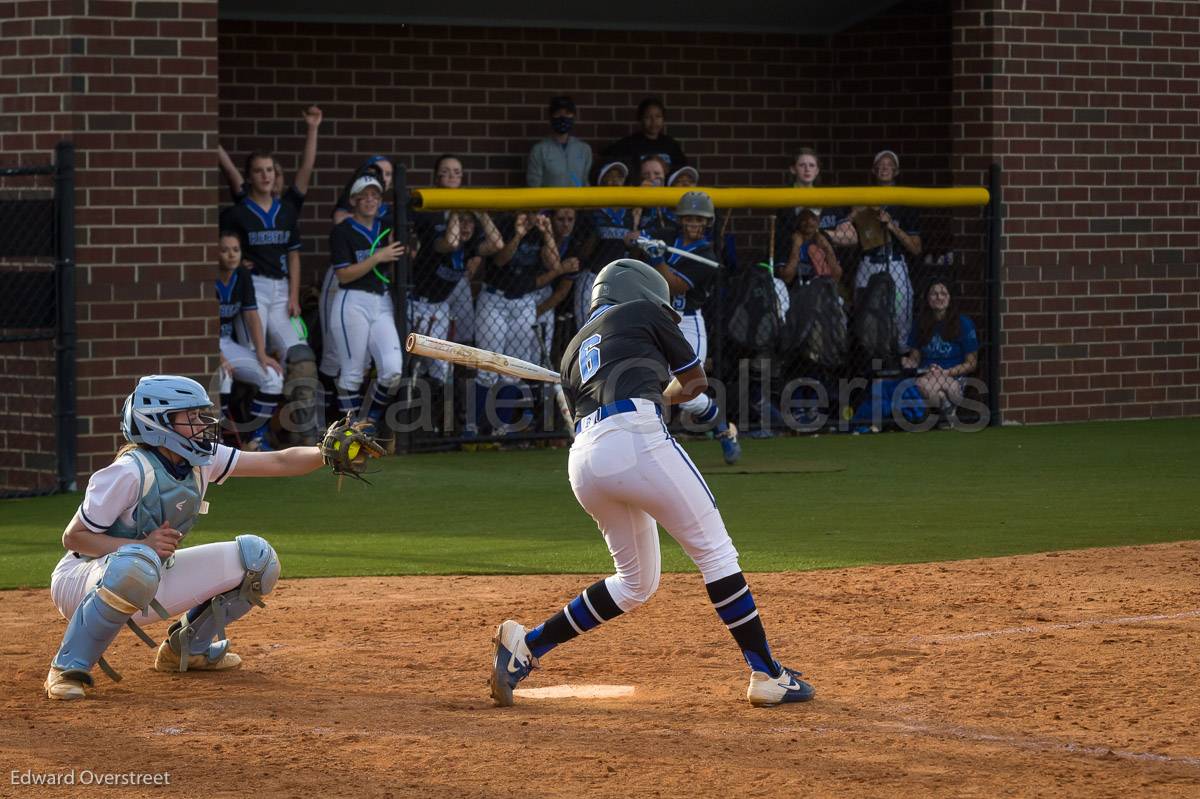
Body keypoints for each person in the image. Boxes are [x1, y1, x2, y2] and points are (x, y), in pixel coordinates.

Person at [488, 259, 814, 709]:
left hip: (584, 461)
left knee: (636, 583)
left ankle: (527, 646)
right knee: (716, 553)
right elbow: (695, 383)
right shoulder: (644, 312)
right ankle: (767, 672)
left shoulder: (571, 353)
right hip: (635, 439)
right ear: (639, 292)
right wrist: (658, 393)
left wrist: (645, 389)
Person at [43, 375, 329, 701]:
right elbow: (74, 538)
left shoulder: (200, 460)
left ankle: (187, 650)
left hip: (148, 572)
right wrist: (141, 546)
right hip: (82, 581)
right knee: (137, 563)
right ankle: (67, 668)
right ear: (158, 423)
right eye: (190, 417)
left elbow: (278, 461)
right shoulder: (128, 472)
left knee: (258, 560)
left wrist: (326, 453)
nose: (202, 424)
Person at [643, 191, 741, 464]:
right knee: (649, 383)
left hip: (686, 322)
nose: (692, 223)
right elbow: (639, 243)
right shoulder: (666, 236)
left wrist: (657, 259)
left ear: (707, 222)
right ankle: (653, 447)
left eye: (698, 219)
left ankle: (720, 423)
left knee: (687, 393)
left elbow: (675, 285)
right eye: (688, 218)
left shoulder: (705, 254)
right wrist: (638, 241)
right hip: (657, 318)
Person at [470, 211, 562, 435]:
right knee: (487, 368)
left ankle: (501, 428)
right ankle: (473, 428)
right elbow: (501, 260)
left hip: (524, 302)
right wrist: (519, 235)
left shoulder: (540, 231)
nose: (532, 216)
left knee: (512, 370)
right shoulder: (504, 224)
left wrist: (548, 233)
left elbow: (554, 264)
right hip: (494, 299)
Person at [327, 175, 407, 427]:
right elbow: (343, 274)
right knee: (352, 372)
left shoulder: (386, 227)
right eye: (365, 195)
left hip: (381, 301)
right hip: (352, 300)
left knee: (393, 369)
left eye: (376, 195)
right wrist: (378, 257)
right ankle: (350, 431)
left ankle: (367, 421)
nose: (371, 200)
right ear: (354, 200)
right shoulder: (343, 230)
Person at [836, 149, 922, 352]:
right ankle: (869, 361)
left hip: (895, 263)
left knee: (900, 313)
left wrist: (892, 226)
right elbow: (844, 231)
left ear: (896, 170)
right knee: (865, 315)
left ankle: (900, 360)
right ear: (874, 171)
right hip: (868, 264)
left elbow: (916, 248)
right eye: (880, 165)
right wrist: (855, 213)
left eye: (889, 164)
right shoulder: (865, 198)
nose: (884, 168)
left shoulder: (905, 200)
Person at [215, 231, 283, 451]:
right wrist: (220, 357)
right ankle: (221, 444)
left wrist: (261, 353)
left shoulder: (242, 275)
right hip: (206, 344)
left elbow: (252, 316)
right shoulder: (209, 276)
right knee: (224, 377)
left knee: (272, 377)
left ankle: (254, 441)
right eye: (224, 250)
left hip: (226, 340)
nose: (231, 255)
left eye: (235, 250)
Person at [902, 279, 978, 426]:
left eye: (944, 293)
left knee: (933, 386)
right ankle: (945, 409)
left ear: (950, 298)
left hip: (954, 377)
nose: (939, 297)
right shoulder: (920, 323)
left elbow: (971, 363)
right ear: (927, 298)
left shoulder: (964, 323)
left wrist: (946, 372)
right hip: (927, 374)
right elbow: (915, 359)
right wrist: (907, 362)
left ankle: (940, 411)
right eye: (934, 294)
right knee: (924, 384)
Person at [217, 106, 322, 212]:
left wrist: (313, 128)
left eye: (274, 172)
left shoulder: (290, 203)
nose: (267, 176)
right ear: (250, 178)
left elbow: (306, 167)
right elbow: (229, 170)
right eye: (259, 171)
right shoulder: (246, 200)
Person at [576, 162, 637, 329]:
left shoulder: (628, 215)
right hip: (592, 277)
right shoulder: (591, 212)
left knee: (617, 329)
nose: (614, 181)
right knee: (588, 328)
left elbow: (632, 253)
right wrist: (595, 232)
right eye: (609, 178)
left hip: (620, 280)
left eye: (619, 177)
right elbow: (582, 254)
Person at [600, 96, 689, 180]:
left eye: (658, 116)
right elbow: (606, 159)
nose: (653, 121)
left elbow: (683, 170)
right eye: (648, 117)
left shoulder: (671, 144)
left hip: (666, 194)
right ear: (640, 119)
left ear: (663, 119)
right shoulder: (629, 143)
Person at [526, 96, 593, 188]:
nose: (563, 118)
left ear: (573, 116)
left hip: (577, 202)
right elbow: (534, 186)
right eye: (558, 113)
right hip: (550, 202)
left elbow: (586, 183)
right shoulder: (539, 150)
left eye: (567, 113)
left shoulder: (584, 149)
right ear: (550, 118)